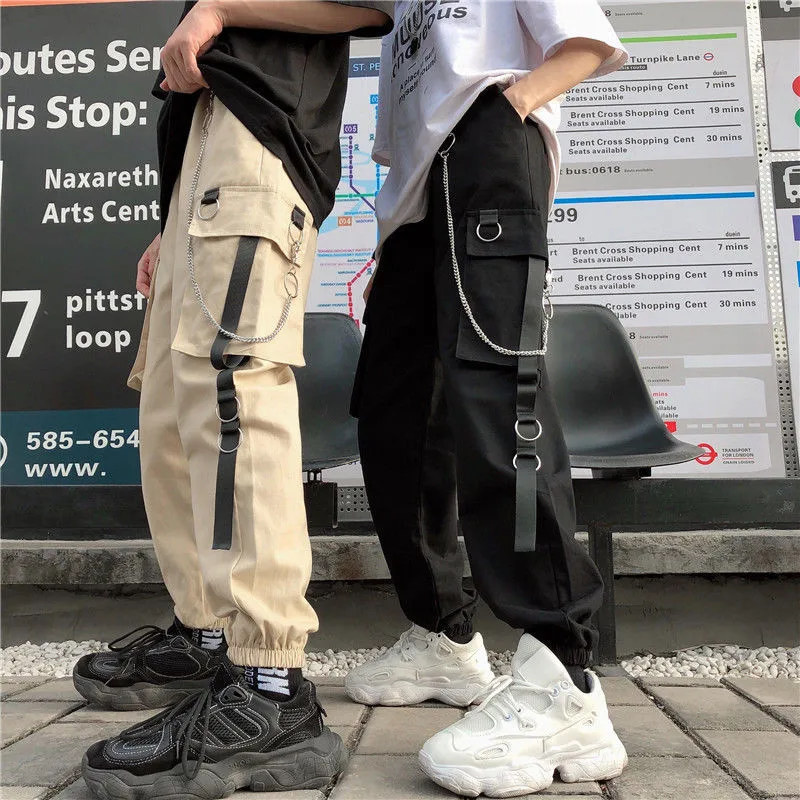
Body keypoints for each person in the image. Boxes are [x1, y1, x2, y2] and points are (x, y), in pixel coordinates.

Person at [73, 2, 392, 798]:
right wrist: (172, 215)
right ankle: (211, 636)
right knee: (175, 411)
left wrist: (214, 6)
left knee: (232, 401)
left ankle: (271, 685)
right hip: (206, 154)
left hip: (258, 137)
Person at [345, 1, 629, 795]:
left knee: (500, 398)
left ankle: (563, 675)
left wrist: (511, 107)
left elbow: (586, 42)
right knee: (395, 418)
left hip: (483, 149)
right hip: (408, 203)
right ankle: (444, 634)